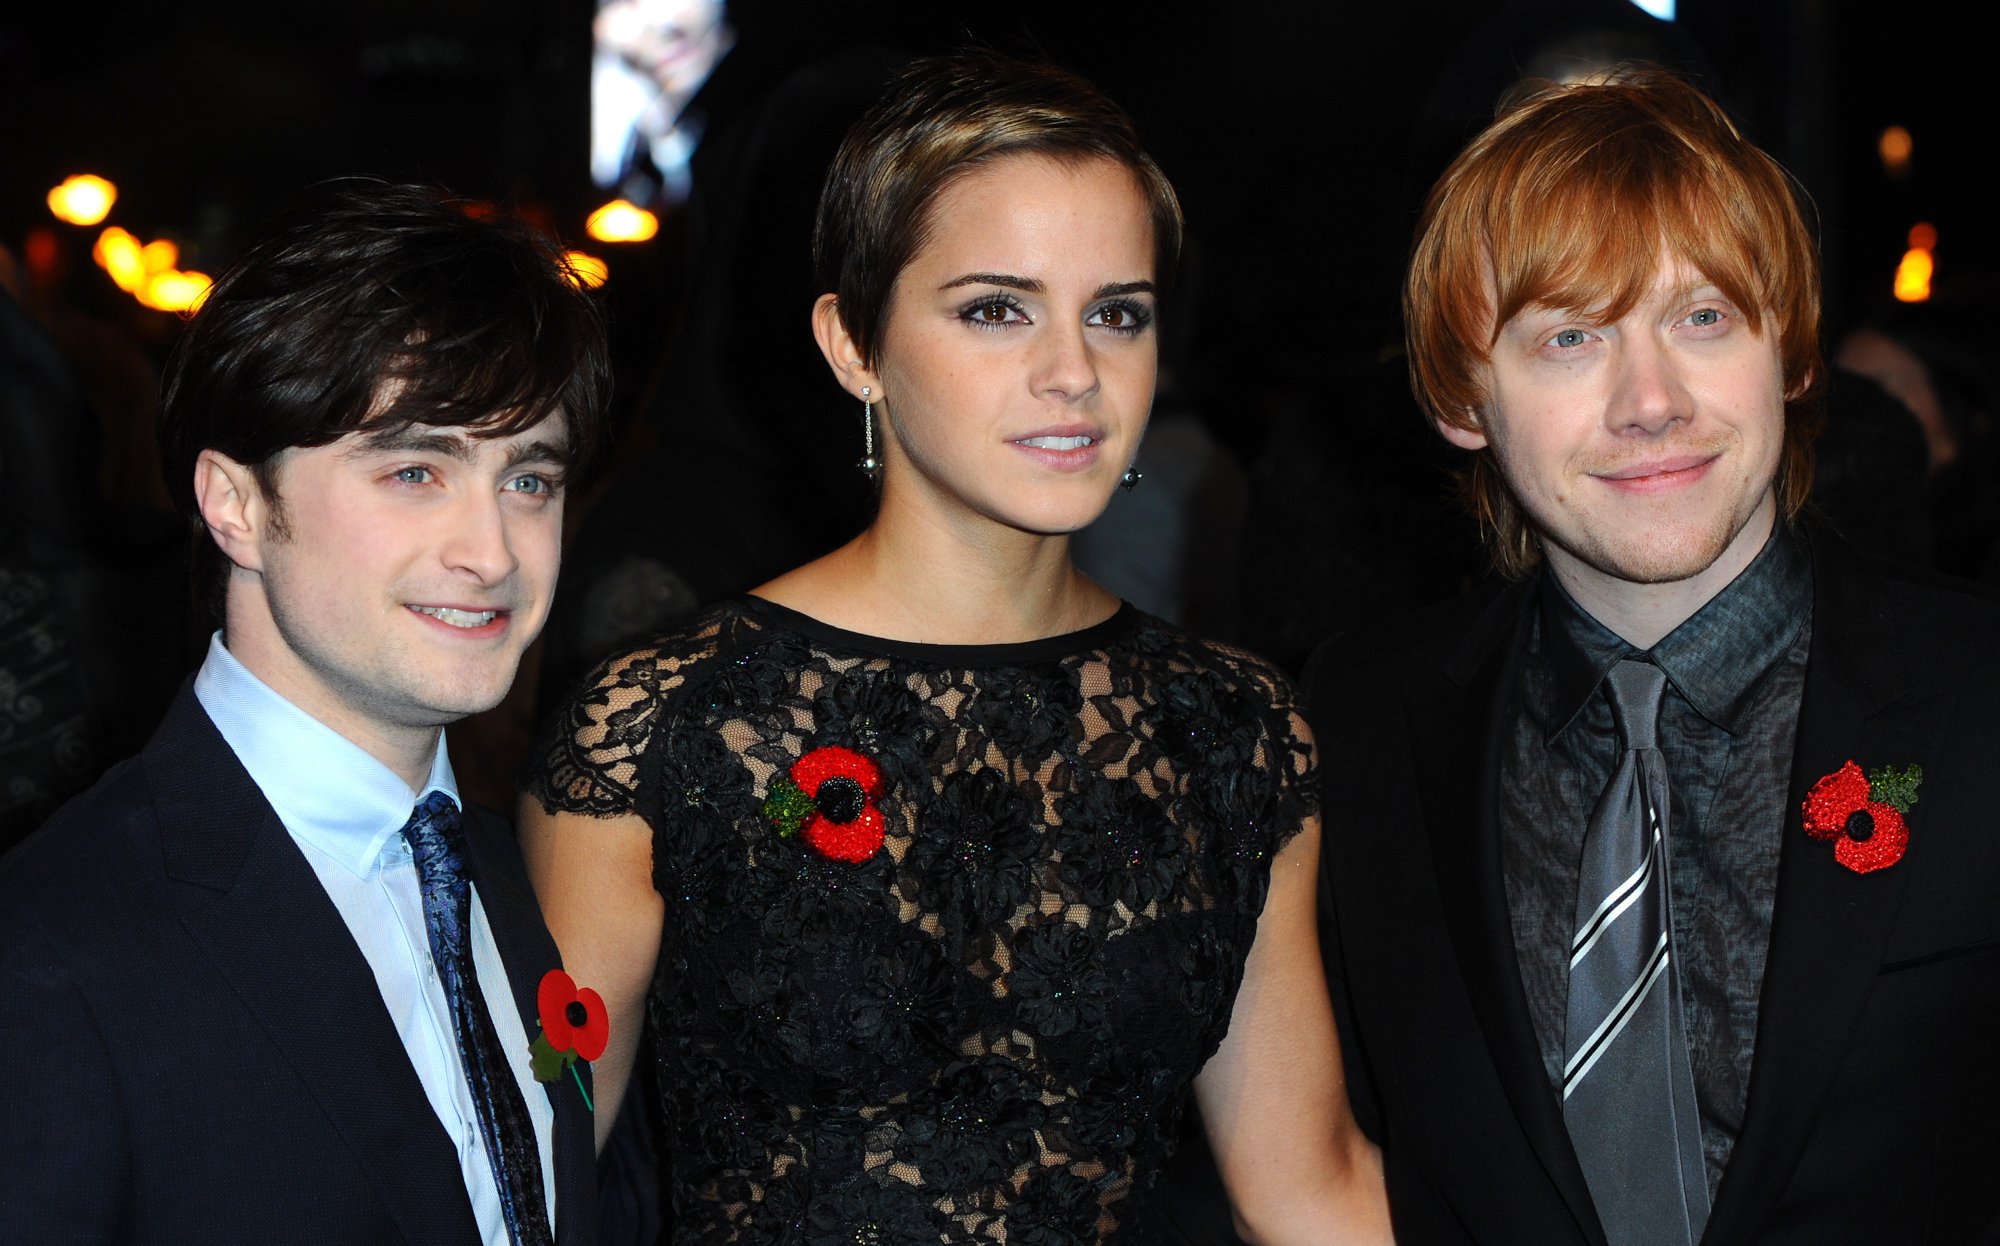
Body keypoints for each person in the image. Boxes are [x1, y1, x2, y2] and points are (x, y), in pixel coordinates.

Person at [523, 50, 1390, 1245]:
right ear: (853, 347)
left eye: (1115, 313)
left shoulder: (1229, 731)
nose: (1073, 373)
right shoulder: (668, 725)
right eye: (996, 309)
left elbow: (1307, 1184)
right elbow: (532, 1175)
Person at [1309, 69, 2000, 1245]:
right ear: (1460, 396)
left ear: (1785, 349)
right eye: (1570, 336)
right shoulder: (1354, 721)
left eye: (1700, 318)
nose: (1648, 401)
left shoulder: (1978, 690)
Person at [0, 180, 613, 1245]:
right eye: (416, 469)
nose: (494, 551)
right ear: (236, 505)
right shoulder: (55, 953)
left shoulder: (497, 870)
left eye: (528, 480)